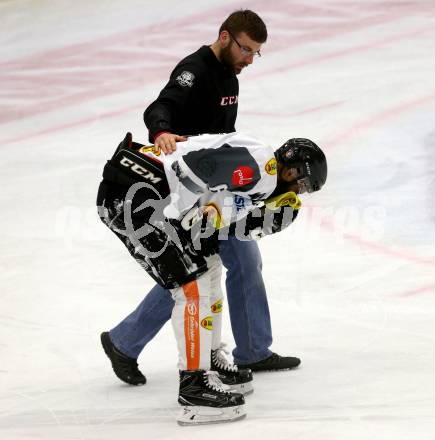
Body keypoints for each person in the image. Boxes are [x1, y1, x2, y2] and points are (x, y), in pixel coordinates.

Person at [101, 9, 300, 389]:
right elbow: (161, 106)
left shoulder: (231, 77)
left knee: (235, 262)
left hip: (216, 191)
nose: (249, 59)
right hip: (183, 193)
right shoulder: (194, 70)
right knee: (190, 276)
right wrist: (161, 130)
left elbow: (224, 138)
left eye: (256, 53)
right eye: (246, 49)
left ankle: (254, 349)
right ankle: (124, 341)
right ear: (225, 37)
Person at [97, 131, 327, 424]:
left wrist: (216, 215)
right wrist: (181, 217)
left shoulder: (262, 175)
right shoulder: (260, 168)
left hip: (147, 193)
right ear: (291, 170)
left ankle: (207, 364)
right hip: (134, 196)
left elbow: (220, 202)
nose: (299, 192)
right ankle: (193, 388)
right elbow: (197, 166)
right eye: (302, 185)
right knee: (190, 287)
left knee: (209, 267)